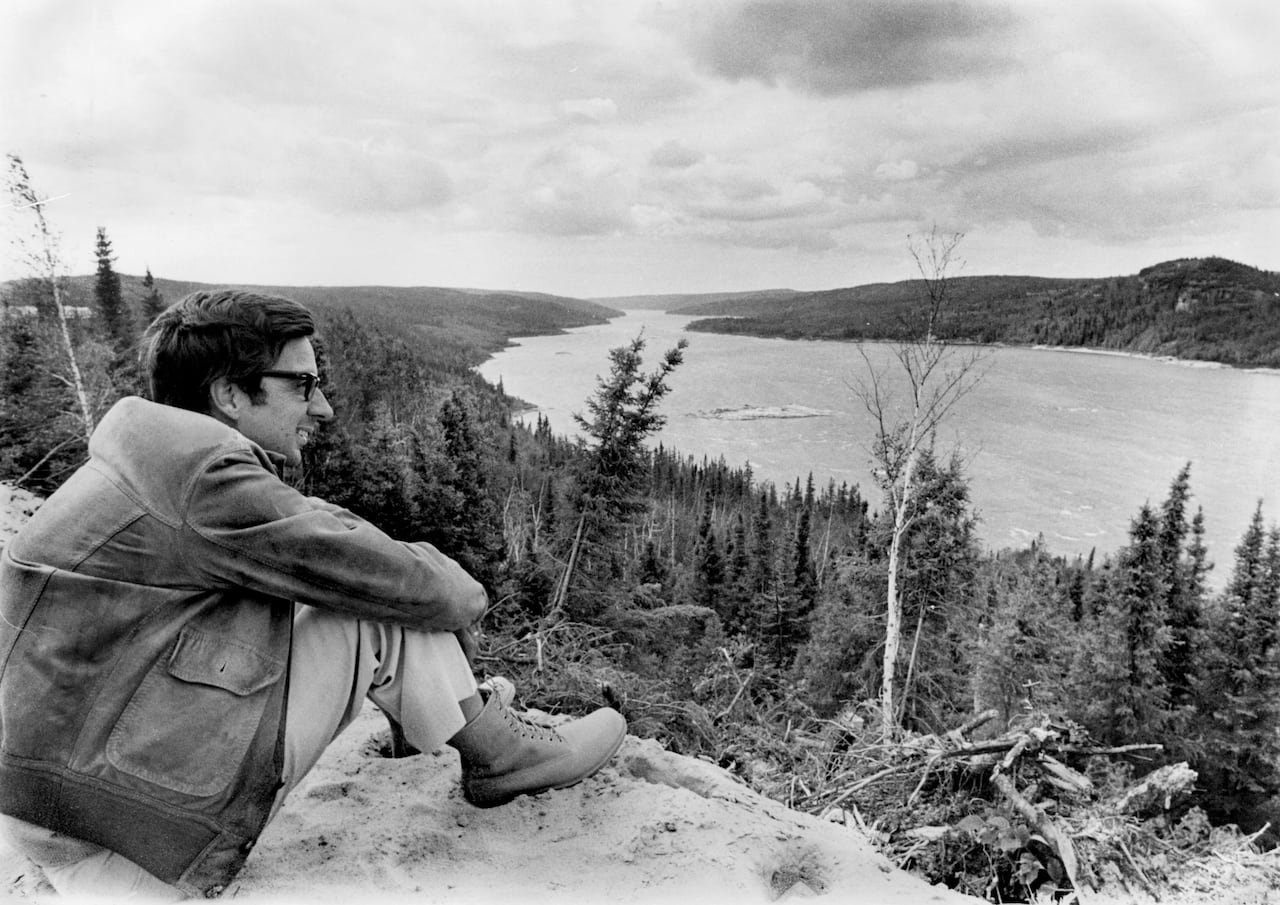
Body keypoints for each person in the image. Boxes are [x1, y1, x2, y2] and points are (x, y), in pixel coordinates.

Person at [0, 289, 626, 900]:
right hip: (124, 843)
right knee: (378, 612)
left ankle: (454, 725)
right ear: (229, 394)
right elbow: (437, 593)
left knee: (350, 596)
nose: (321, 407)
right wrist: (426, 574)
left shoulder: (151, 458)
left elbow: (323, 543)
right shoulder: (207, 481)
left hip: (61, 805)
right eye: (302, 384)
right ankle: (500, 755)